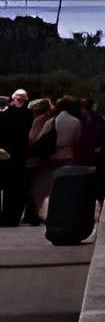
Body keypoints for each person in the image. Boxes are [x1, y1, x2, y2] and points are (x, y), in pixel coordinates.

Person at [36, 95, 105, 248]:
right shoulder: (76, 121)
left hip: (51, 159)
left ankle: (47, 217)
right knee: (68, 191)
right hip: (69, 157)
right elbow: (79, 140)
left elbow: (38, 138)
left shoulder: (52, 121)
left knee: (48, 190)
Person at [0, 89, 30, 227]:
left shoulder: (5, 114)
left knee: (8, 188)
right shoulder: (29, 115)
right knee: (18, 188)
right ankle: (14, 217)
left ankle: (6, 217)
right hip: (22, 154)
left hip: (7, 155)